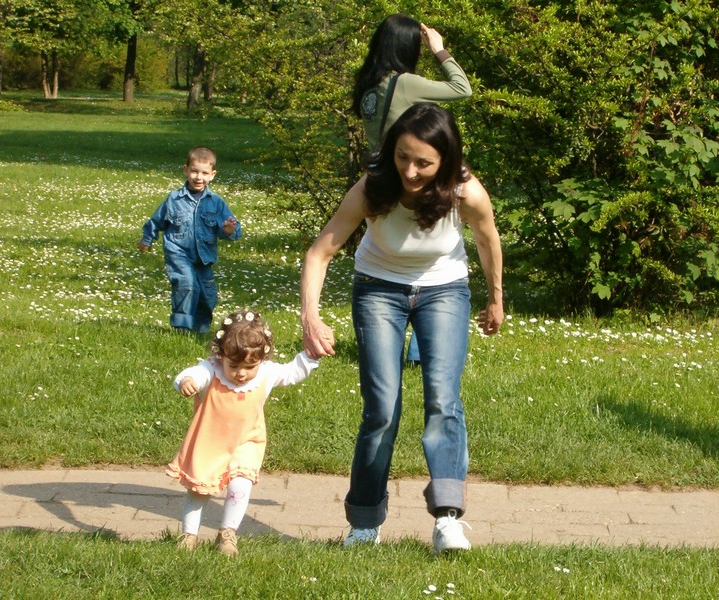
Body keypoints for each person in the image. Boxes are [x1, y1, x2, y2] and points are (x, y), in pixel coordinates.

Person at [300, 103, 503, 555]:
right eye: (402, 157)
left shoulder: (465, 190)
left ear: (446, 161)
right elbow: (320, 252)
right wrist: (310, 316)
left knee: (443, 401)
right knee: (381, 410)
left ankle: (447, 520)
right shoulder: (373, 186)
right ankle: (364, 524)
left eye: (424, 163)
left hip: (444, 290)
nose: (410, 171)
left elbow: (487, 238)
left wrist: (496, 298)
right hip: (378, 289)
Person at [352, 14, 472, 363]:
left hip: (382, 179)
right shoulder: (405, 83)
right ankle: (423, 347)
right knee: (429, 258)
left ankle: (391, 335)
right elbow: (462, 88)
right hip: (412, 180)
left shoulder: (367, 84)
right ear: (408, 47)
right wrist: (440, 49)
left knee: (387, 253)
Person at [166, 309, 320, 556]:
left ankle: (227, 534)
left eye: (249, 367)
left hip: (247, 441)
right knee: (198, 491)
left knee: (240, 486)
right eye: (234, 365)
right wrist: (186, 382)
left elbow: (291, 373)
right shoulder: (212, 370)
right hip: (209, 443)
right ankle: (189, 535)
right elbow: (195, 374)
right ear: (221, 355)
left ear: (262, 359)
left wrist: (311, 356)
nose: (241, 373)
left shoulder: (266, 373)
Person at [138, 146, 241, 334]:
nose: (198, 177)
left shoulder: (216, 202)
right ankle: (182, 329)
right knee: (186, 285)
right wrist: (147, 239)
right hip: (178, 253)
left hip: (204, 257)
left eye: (204, 173)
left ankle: (200, 330)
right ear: (186, 170)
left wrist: (229, 230)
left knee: (207, 295)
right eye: (194, 171)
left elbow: (233, 229)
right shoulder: (174, 199)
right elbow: (156, 221)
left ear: (212, 175)